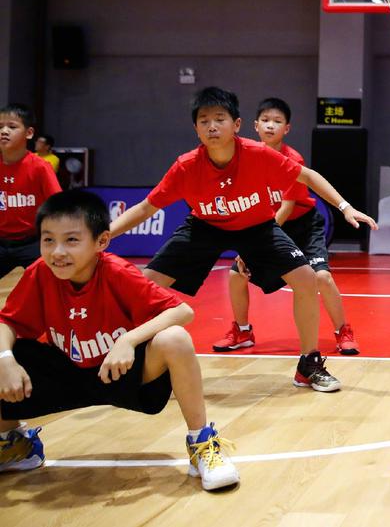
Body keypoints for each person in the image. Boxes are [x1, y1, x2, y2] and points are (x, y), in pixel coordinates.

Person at [109, 87, 376, 393]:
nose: (212, 126)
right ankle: (133, 361)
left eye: (219, 119)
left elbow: (309, 176)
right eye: (204, 120)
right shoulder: (185, 166)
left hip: (256, 226)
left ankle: (308, 364)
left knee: (306, 278)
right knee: (145, 284)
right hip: (204, 225)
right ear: (195, 128)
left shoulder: (258, 154)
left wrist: (345, 207)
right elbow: (146, 207)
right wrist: (105, 235)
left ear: (235, 125)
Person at [0, 190, 240, 490]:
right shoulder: (40, 273)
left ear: (101, 241)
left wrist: (128, 340)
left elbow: (182, 311)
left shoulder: (117, 271)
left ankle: (201, 443)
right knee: (2, 351)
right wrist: (6, 360)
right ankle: (15, 444)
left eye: (71, 240)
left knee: (175, 339)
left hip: (119, 373)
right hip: (68, 373)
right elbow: (7, 322)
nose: (57, 251)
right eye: (48, 240)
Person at [212, 98, 361, 356]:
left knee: (322, 278)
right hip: (268, 225)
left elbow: (287, 208)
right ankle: (243, 331)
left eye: (277, 121)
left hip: (301, 226)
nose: (271, 126)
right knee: (237, 273)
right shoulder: (246, 157)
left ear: (287, 129)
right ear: (255, 125)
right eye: (266, 121)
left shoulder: (292, 159)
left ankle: (343, 332)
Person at [0, 105, 61, 281]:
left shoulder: (40, 167)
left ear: (29, 133)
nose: (4, 131)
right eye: (0, 127)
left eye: (11, 127)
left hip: (33, 242)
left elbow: (57, 206)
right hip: (1, 241)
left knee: (56, 283)